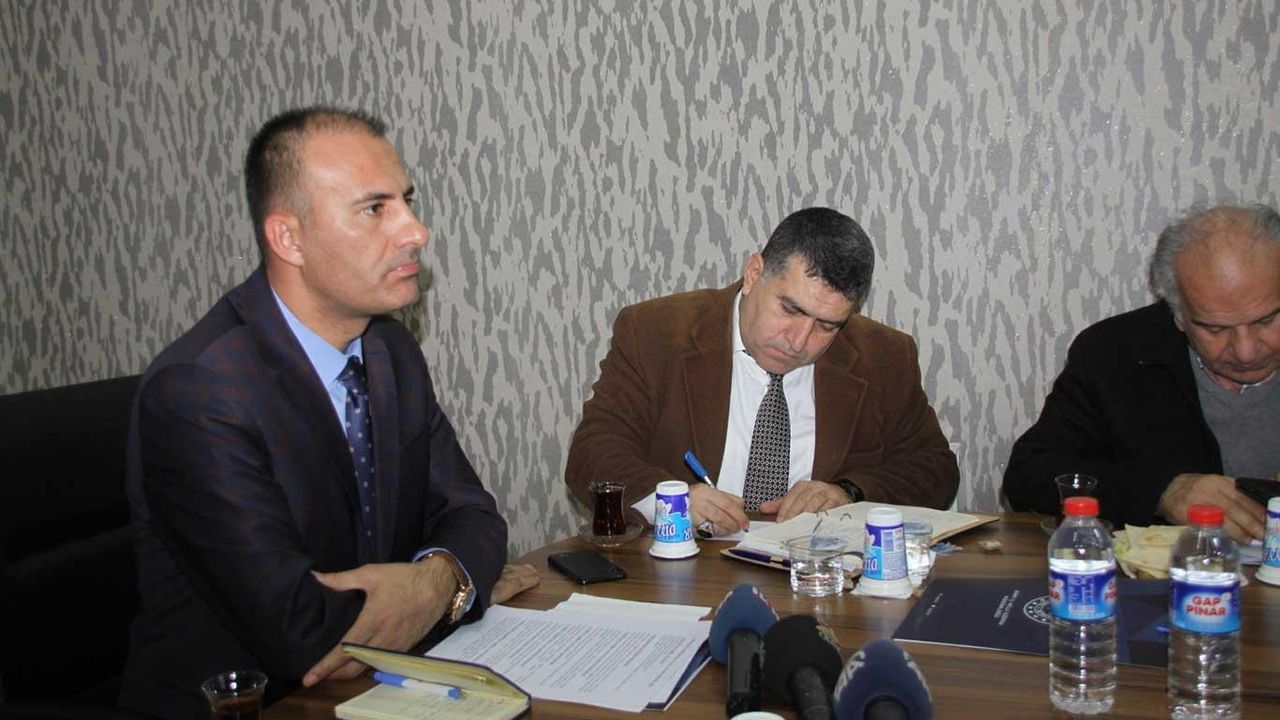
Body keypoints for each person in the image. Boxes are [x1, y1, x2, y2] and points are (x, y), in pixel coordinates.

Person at [120, 107, 537, 719]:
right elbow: (302, 633)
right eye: (375, 209)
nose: (416, 231)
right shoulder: (199, 392)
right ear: (288, 238)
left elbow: (475, 518)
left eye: (406, 201)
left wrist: (432, 580)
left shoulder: (390, 350)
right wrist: (454, 583)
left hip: (370, 695)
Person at [565, 207, 959, 536]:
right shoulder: (656, 333)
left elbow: (934, 470)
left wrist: (850, 492)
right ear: (754, 273)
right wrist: (673, 502)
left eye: (827, 326)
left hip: (817, 575)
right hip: (681, 569)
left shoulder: (884, 356)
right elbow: (593, 453)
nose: (799, 341)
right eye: (790, 309)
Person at [1003, 204, 1279, 543]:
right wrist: (1164, 491)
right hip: (1177, 573)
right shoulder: (1117, 354)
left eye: (1266, 320)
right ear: (1177, 315)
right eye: (1215, 329)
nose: (1246, 351)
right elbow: (1029, 476)